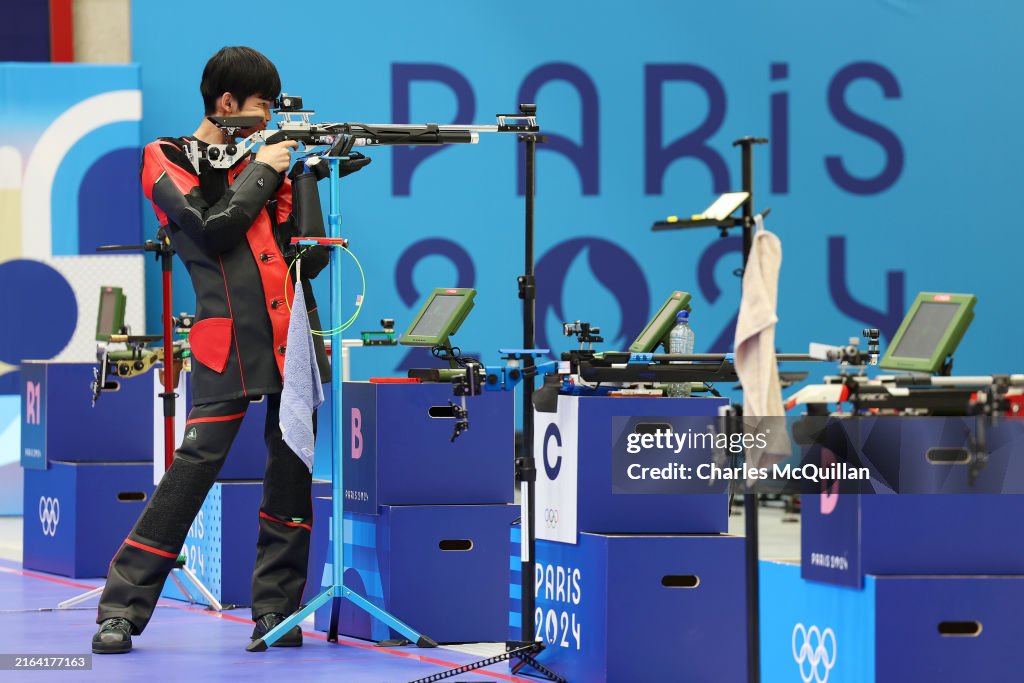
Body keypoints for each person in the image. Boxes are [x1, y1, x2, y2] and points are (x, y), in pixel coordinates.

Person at [91, 46, 368, 654]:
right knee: (189, 478)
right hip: (226, 348)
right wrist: (267, 168)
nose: (269, 119)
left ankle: (276, 610)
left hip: (293, 338)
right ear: (227, 104)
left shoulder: (265, 159)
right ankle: (121, 608)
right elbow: (211, 227)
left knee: (291, 477)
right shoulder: (166, 156)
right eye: (261, 106)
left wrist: (306, 172)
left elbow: (312, 259)